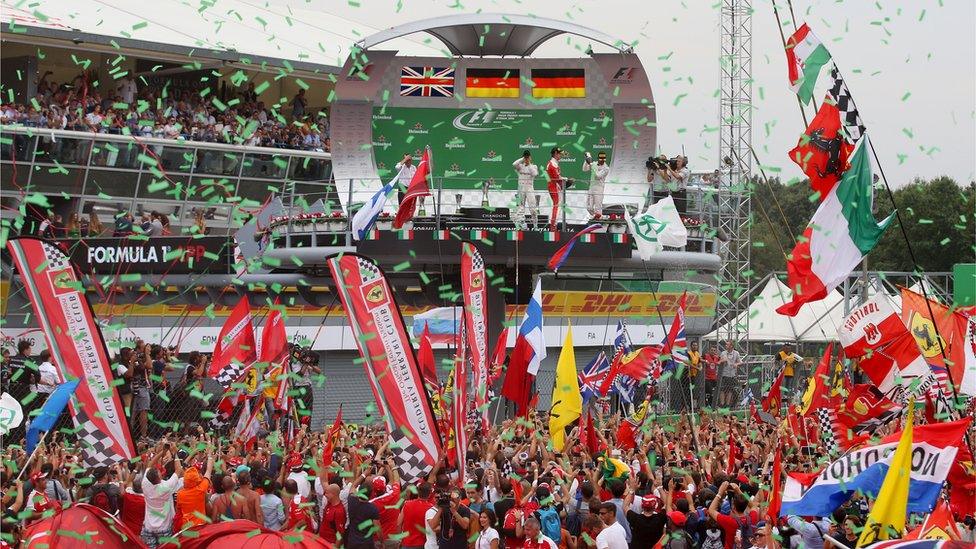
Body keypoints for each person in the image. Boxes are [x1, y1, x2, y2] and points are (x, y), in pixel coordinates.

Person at [141, 443, 185, 549]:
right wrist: (174, 452)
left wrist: (163, 452)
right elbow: (178, 470)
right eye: (159, 472)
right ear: (159, 478)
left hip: (149, 527)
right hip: (164, 528)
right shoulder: (167, 486)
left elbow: (149, 464)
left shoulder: (145, 483)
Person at [706, 481, 759, 549]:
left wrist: (720, 492)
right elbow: (753, 506)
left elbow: (711, 510)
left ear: (733, 507)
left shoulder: (729, 521)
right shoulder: (752, 517)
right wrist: (738, 490)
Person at [346, 480, 381, 549]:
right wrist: (382, 542)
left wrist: (364, 474)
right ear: (371, 495)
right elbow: (378, 529)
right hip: (366, 544)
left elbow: (353, 486)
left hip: (352, 542)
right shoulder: (373, 509)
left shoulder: (351, 500)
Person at [400, 481, 435, 549]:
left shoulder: (407, 504)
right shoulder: (431, 508)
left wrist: (400, 539)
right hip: (422, 543)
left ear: (418, 492)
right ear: (430, 494)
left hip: (406, 543)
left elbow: (399, 523)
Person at [512, 150, 539, 229]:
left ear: (530, 157)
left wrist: (529, 164)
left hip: (529, 188)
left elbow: (535, 174)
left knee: (533, 208)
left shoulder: (534, 166)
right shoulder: (520, 166)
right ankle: (522, 225)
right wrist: (522, 159)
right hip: (521, 189)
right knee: (520, 208)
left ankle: (535, 225)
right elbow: (514, 164)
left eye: (528, 157)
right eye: (525, 157)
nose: (526, 158)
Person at [582, 152, 610, 218]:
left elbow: (598, 176)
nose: (602, 160)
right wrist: (587, 160)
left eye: (603, 159)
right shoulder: (594, 163)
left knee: (598, 207)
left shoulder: (606, 168)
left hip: (599, 188)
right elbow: (584, 169)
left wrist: (592, 165)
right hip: (591, 187)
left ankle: (599, 220)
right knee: (589, 207)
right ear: (598, 158)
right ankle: (595, 217)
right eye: (600, 158)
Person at [545, 147, 567, 231]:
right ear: (554, 153)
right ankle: (553, 226)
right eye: (559, 154)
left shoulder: (554, 163)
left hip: (554, 186)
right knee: (557, 206)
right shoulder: (552, 164)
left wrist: (564, 179)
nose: (560, 155)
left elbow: (558, 177)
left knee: (557, 206)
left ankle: (553, 225)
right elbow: (557, 178)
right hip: (554, 187)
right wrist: (566, 180)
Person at [717, 341, 741, 408]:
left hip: (732, 374)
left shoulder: (736, 353)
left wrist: (736, 364)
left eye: (727, 345)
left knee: (730, 390)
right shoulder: (723, 353)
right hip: (724, 374)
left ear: (731, 346)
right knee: (722, 389)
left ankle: (727, 404)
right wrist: (721, 361)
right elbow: (723, 359)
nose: (726, 346)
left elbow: (740, 362)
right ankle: (722, 404)